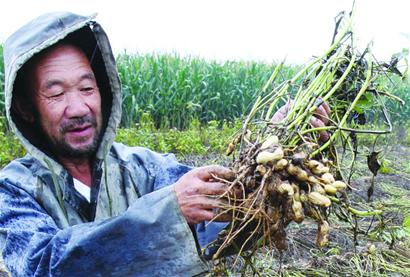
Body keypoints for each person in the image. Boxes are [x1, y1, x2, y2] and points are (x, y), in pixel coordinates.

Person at [0, 12, 330, 276]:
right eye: (56, 94)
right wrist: (167, 213)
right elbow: (43, 266)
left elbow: (226, 215)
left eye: (87, 89)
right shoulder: (14, 190)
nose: (78, 108)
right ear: (26, 108)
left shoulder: (143, 168)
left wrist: (273, 154)